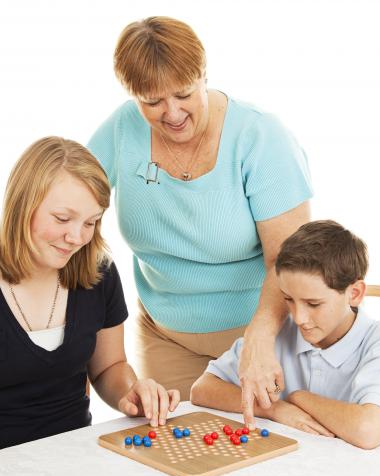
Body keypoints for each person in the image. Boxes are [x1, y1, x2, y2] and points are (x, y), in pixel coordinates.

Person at [87, 16, 313, 425]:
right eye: (152, 102)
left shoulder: (260, 137)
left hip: (257, 336)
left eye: (184, 94)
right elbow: (70, 197)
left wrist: (260, 339)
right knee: (175, 460)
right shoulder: (124, 128)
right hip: (166, 337)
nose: (171, 113)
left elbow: (290, 260)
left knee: (264, 459)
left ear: (203, 74)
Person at [0, 137, 180, 470]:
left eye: (90, 222)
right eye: (63, 219)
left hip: (67, 469)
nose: (77, 237)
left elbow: (109, 368)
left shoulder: (100, 274)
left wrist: (130, 391)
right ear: (22, 206)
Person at [191, 220, 380, 450]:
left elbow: (367, 431)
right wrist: (275, 408)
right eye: (289, 299)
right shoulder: (280, 334)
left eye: (313, 303)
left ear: (355, 293)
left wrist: (298, 397)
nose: (299, 317)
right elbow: (202, 389)